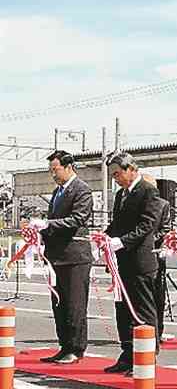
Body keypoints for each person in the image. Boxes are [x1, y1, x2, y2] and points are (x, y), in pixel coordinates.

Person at [102, 153, 161, 375]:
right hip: (122, 261)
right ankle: (127, 353)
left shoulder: (148, 191)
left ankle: (146, 357)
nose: (115, 178)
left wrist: (122, 241)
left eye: (117, 173)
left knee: (143, 311)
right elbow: (117, 223)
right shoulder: (121, 195)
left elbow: (147, 225)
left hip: (140, 260)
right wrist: (105, 236)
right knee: (123, 311)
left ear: (131, 169)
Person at [33, 151, 93, 365]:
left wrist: (48, 224)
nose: (53, 175)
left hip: (75, 256)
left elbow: (77, 219)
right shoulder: (57, 192)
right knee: (59, 303)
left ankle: (76, 348)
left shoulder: (82, 190)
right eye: (51, 171)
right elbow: (54, 223)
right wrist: (39, 231)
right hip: (56, 256)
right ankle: (64, 344)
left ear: (69, 167)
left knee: (75, 304)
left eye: (55, 170)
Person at [141, 173, 172, 343]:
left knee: (157, 296)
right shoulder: (136, 204)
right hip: (137, 255)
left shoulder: (163, 205)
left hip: (155, 254)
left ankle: (157, 331)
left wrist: (147, 241)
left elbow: (165, 229)